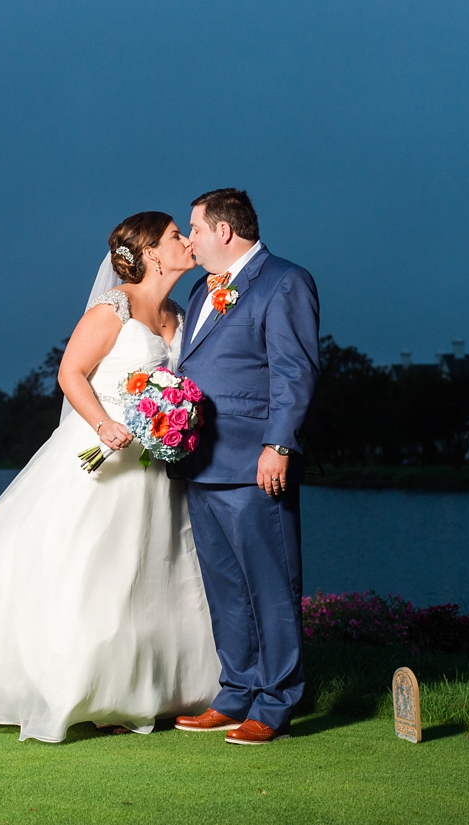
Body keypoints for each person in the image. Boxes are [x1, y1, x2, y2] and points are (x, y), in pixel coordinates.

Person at [0, 211, 220, 743]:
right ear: (148, 252)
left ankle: (155, 688)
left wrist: (173, 421)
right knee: (94, 570)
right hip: (104, 454)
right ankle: (85, 689)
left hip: (157, 462)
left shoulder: (180, 311)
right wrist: (104, 424)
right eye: (175, 236)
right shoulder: (112, 308)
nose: (187, 241)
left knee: (153, 569)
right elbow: (70, 373)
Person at [172, 188, 320, 745]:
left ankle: (277, 702)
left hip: (255, 463)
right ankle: (235, 693)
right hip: (201, 460)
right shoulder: (200, 288)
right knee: (226, 588)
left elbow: (295, 372)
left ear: (225, 231)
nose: (189, 238)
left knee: (272, 586)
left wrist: (278, 446)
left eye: (195, 228)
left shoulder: (285, 281)